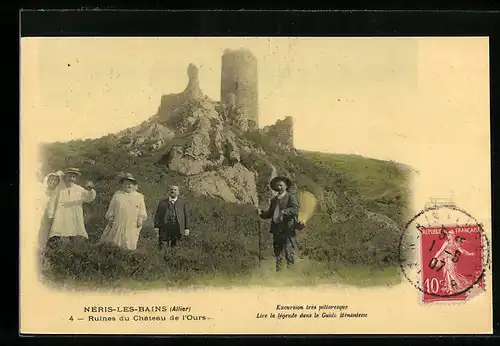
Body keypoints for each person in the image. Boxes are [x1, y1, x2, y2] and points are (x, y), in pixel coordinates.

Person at [45, 167, 96, 246]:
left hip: (74, 215)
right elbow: (52, 202)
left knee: (75, 234)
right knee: (59, 235)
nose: (71, 179)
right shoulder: (59, 188)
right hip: (61, 215)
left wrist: (90, 190)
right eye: (69, 176)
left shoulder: (79, 189)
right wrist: (50, 215)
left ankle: (73, 249)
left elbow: (89, 198)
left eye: (73, 177)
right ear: (65, 176)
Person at [259, 176, 300, 272]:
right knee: (278, 253)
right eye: (277, 186)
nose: (279, 187)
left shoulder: (291, 197)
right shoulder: (274, 200)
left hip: (288, 229)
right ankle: (279, 273)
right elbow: (270, 213)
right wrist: (261, 213)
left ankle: (292, 273)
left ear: (286, 186)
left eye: (281, 185)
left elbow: (295, 209)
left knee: (288, 252)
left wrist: (284, 212)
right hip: (276, 230)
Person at [99, 173, 147, 251]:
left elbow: (142, 209)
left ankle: (127, 253)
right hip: (119, 219)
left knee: (130, 239)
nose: (128, 186)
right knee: (115, 238)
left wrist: (140, 219)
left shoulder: (139, 196)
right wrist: (111, 218)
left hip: (132, 221)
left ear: (134, 185)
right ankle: (114, 251)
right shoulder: (118, 195)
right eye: (126, 184)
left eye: (130, 184)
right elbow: (112, 207)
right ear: (122, 185)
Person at [433, 228, 476, 294]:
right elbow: (440, 251)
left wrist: (469, 254)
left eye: (449, 235)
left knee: (453, 274)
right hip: (445, 260)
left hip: (450, 261)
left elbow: (462, 251)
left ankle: (461, 286)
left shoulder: (456, 244)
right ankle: (450, 290)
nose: (448, 236)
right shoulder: (446, 243)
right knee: (447, 274)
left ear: (453, 236)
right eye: (448, 235)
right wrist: (435, 258)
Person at [154, 185, 190, 251]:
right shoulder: (162, 203)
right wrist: (156, 226)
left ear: (178, 192)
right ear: (169, 192)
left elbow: (186, 216)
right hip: (165, 228)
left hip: (177, 228)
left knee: (175, 247)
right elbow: (157, 215)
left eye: (175, 190)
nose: (173, 191)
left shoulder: (183, 203)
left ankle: (173, 259)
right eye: (171, 190)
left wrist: (186, 228)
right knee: (163, 247)